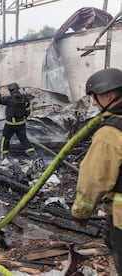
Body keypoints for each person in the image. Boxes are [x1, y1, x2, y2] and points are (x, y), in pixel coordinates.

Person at [71, 68, 122, 274]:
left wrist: (81, 212)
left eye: (94, 97)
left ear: (108, 95)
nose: (93, 103)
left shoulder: (110, 132)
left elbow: (93, 179)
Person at [0, 82, 36, 160]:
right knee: (24, 139)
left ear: (11, 90)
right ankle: (33, 156)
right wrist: (23, 117)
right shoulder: (25, 98)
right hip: (21, 123)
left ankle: (3, 157)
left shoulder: (9, 99)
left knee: (5, 139)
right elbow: (28, 110)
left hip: (10, 124)